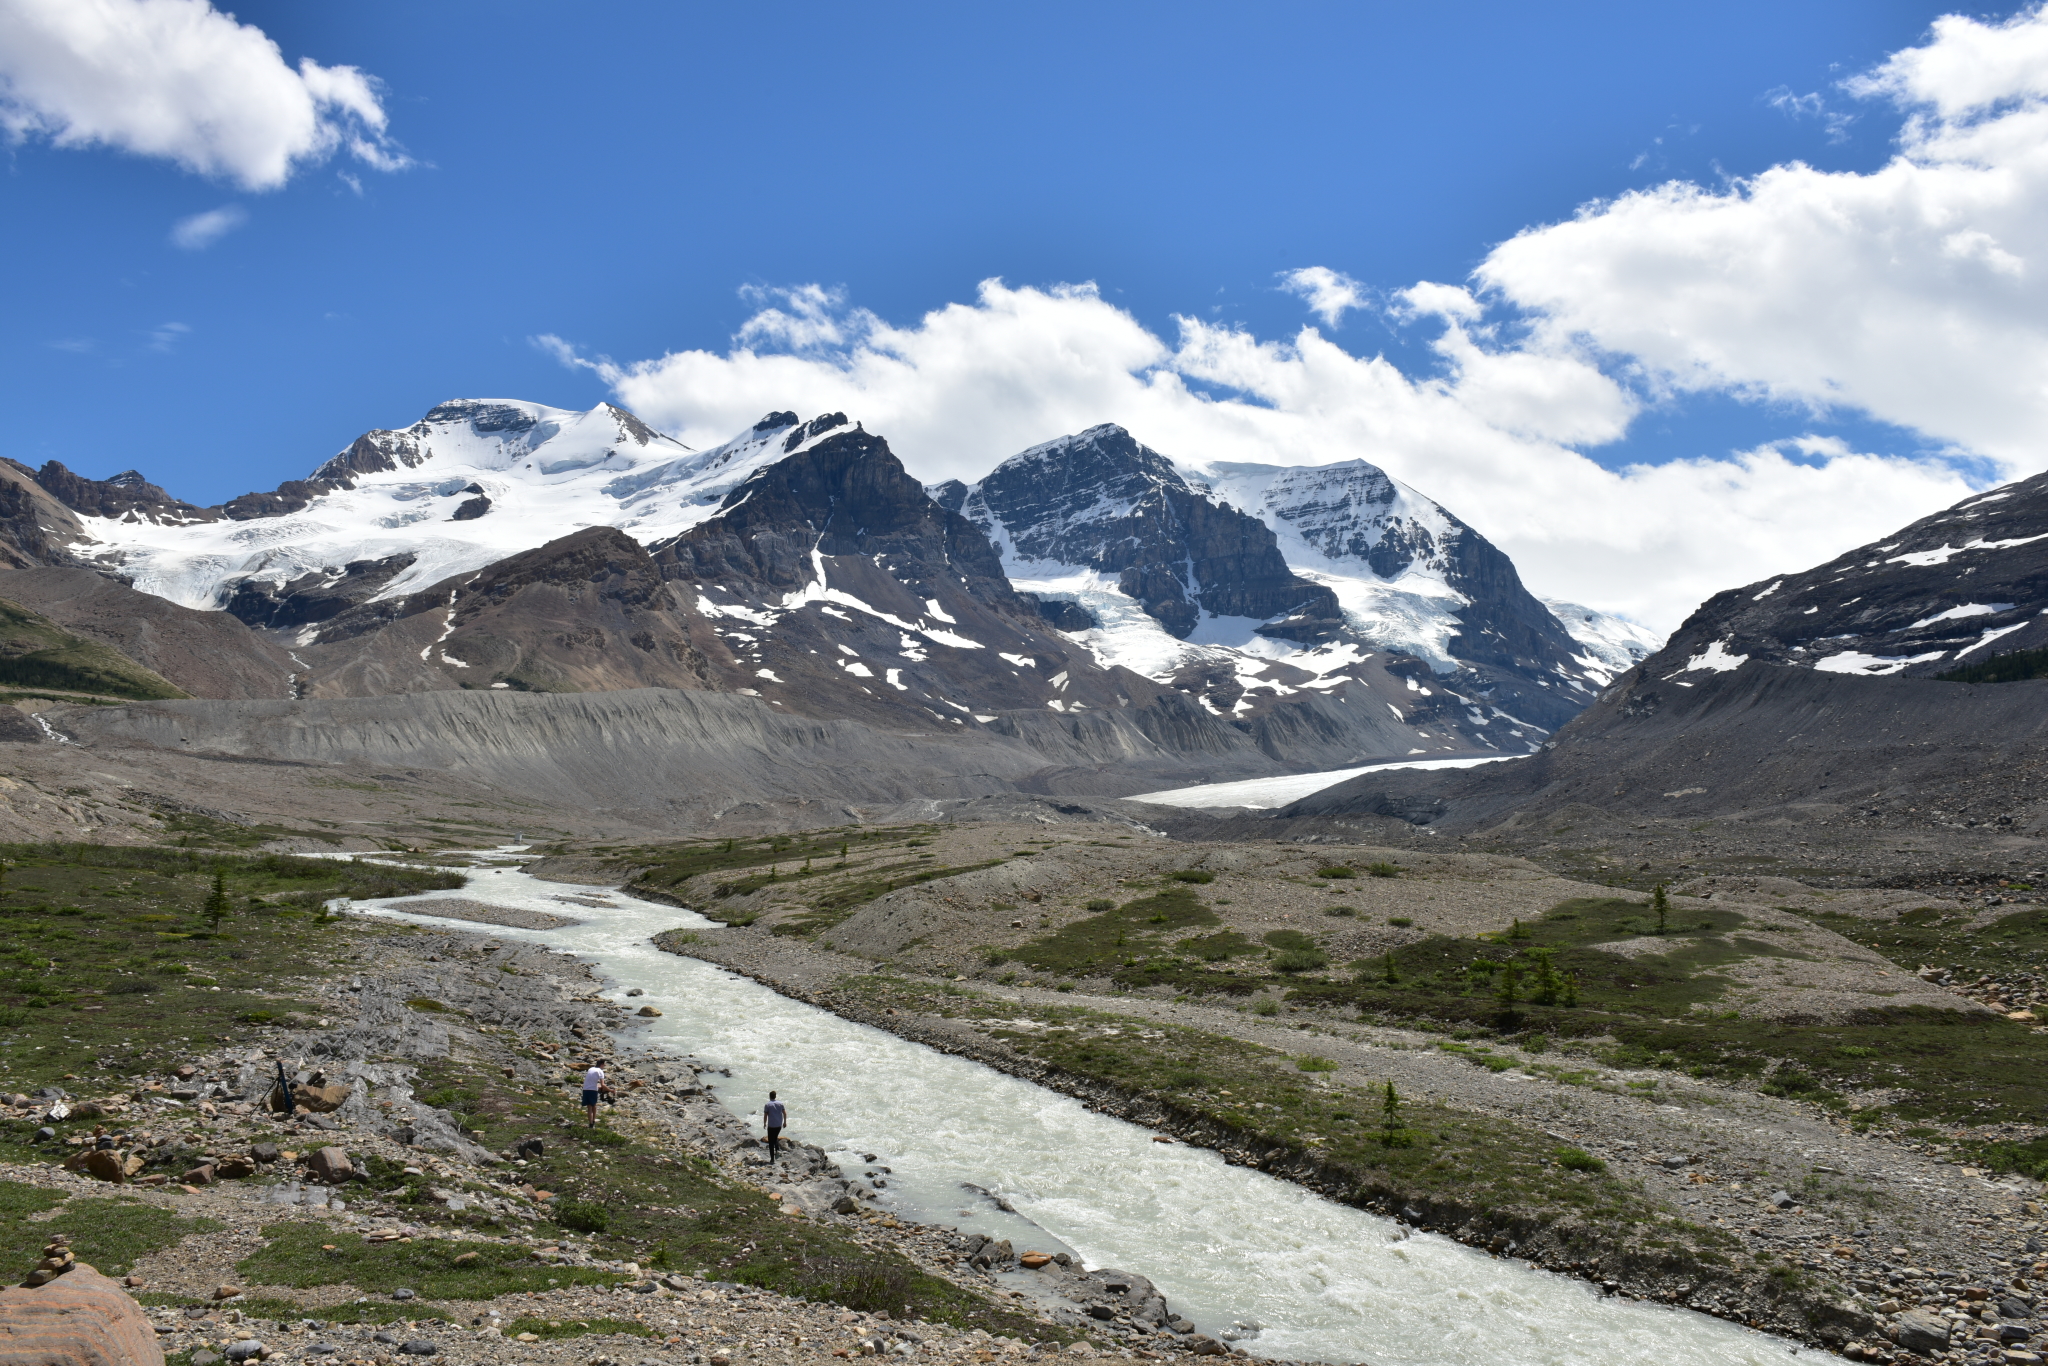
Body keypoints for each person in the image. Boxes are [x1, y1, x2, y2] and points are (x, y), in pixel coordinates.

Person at [582, 1061, 608, 1127]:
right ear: (601, 1065)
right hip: (592, 1090)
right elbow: (603, 1084)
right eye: (604, 1065)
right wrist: (611, 1090)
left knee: (590, 1106)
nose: (604, 1066)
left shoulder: (590, 1069)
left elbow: (591, 1080)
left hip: (585, 1089)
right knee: (592, 1106)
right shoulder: (600, 1071)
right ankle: (592, 1122)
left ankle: (591, 1122)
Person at [763, 1090, 786, 1161]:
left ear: (769, 1096)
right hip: (778, 1125)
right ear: (775, 1096)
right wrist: (785, 1122)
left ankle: (772, 1158)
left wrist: (764, 1123)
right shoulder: (781, 1104)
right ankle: (777, 1150)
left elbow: (766, 1115)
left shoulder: (767, 1105)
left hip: (771, 1125)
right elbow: (784, 1113)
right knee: (775, 1137)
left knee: (771, 1141)